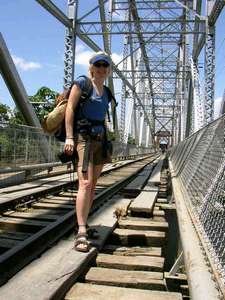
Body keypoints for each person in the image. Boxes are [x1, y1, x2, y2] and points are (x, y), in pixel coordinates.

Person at [64, 51, 113, 252]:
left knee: (93, 185)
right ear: (91, 67)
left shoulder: (107, 92)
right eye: (98, 64)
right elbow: (70, 109)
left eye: (105, 65)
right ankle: (82, 230)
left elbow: (102, 117)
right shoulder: (82, 84)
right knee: (84, 183)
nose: (101, 68)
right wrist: (69, 137)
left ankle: (84, 221)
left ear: (108, 69)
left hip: (100, 140)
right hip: (83, 137)